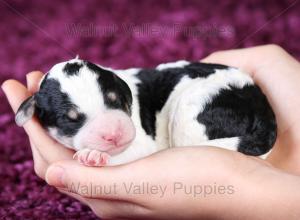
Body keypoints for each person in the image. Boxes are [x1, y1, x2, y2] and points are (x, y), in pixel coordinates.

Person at [2, 45, 300, 219]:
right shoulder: (40, 106)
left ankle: (229, 150)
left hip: (222, 98)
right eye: (74, 119)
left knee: (190, 108)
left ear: (119, 87)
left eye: (114, 104)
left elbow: (138, 157)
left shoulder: (125, 84)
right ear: (37, 114)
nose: (112, 130)